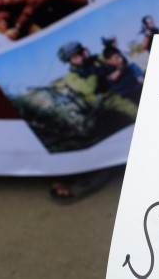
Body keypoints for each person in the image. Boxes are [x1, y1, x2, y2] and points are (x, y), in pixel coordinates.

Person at [50, 41, 138, 202]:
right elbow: (88, 88)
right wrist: (94, 72)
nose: (79, 59)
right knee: (103, 148)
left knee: (136, 113)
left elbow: (114, 58)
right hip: (96, 110)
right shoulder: (71, 77)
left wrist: (109, 52)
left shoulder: (95, 60)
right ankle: (80, 183)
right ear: (69, 61)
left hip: (113, 98)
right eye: (74, 57)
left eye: (80, 53)